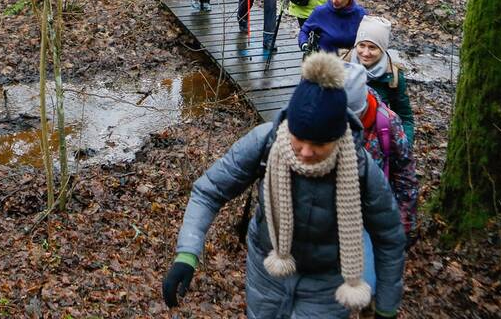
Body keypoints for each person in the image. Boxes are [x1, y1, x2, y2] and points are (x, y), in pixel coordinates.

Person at [162, 52, 406, 318]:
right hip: (267, 271)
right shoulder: (267, 141)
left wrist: (386, 305)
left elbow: (389, 236)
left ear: (338, 138)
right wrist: (187, 253)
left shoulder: (360, 166)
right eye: (299, 139)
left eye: (319, 145)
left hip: (326, 285)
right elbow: (209, 191)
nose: (305, 152)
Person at [343, 59, 418, 237]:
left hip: (373, 211)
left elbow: (405, 175)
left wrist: (403, 224)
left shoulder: (387, 123)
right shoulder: (321, 115)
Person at [342, 17, 415, 144]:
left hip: (378, 141)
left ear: (382, 49)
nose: (365, 53)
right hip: (344, 139)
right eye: (361, 45)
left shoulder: (393, 76)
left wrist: (405, 145)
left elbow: (405, 116)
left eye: (372, 47)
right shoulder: (340, 66)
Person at [299, 0, 366, 54]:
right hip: (326, 61)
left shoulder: (360, 14)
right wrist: (304, 43)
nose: (334, 0)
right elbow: (304, 31)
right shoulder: (321, 12)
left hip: (352, 62)